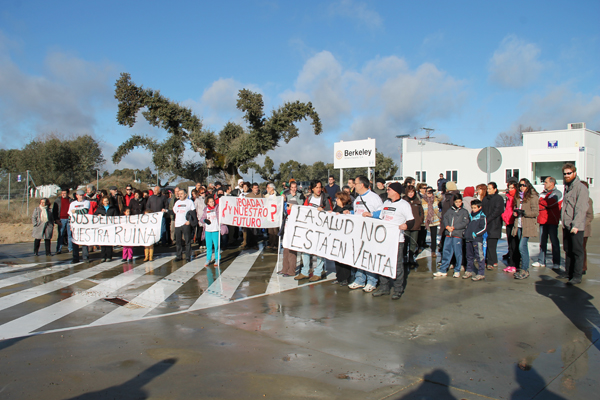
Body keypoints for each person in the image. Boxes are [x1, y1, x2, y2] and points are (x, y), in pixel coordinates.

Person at [371, 182, 414, 300]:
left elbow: (411, 221)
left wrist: (406, 225)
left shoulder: (404, 204)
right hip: (384, 240)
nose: (387, 191)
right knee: (382, 263)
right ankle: (384, 287)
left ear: (395, 191)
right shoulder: (386, 203)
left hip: (397, 240)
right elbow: (381, 219)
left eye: (389, 189)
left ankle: (398, 289)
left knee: (397, 265)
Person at [346, 176, 384, 292]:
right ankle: (360, 280)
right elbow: (358, 213)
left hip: (370, 232)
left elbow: (382, 212)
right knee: (359, 255)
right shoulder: (357, 199)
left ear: (362, 185)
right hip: (358, 232)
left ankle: (372, 281)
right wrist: (350, 212)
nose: (353, 186)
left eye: (355, 183)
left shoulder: (374, 197)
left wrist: (372, 215)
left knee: (369, 256)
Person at [295, 180, 332, 282]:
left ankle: (318, 272)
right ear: (312, 189)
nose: (319, 189)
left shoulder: (326, 198)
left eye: (320, 187)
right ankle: (305, 271)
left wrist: (323, 211)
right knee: (305, 250)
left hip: (321, 229)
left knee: (319, 251)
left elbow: (331, 213)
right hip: (309, 229)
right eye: (316, 187)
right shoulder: (309, 198)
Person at [560, 163, 589, 284]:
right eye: (565, 173)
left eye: (569, 173)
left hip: (575, 227)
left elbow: (581, 208)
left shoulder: (580, 188)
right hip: (566, 225)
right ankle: (569, 273)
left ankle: (577, 276)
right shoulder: (567, 187)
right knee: (568, 250)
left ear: (574, 173)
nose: (567, 175)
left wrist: (576, 225)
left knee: (577, 251)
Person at [434, 193, 469, 278]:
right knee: (446, 252)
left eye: (459, 202)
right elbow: (444, 218)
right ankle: (443, 270)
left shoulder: (464, 212)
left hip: (457, 235)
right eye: (456, 202)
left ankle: (457, 270)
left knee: (458, 253)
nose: (458, 203)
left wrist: (454, 227)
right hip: (448, 235)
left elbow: (465, 223)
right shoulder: (450, 211)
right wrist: (447, 227)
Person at [511, 178, 539, 280]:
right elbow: (516, 208)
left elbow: (536, 212)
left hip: (527, 225)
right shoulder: (518, 197)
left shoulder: (533, 196)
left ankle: (525, 269)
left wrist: (524, 213)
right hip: (518, 224)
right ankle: (523, 268)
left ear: (528, 186)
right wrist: (516, 212)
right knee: (522, 247)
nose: (522, 187)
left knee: (522, 247)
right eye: (520, 185)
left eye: (524, 185)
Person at [533, 176, 562, 269]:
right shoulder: (542, 193)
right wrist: (543, 203)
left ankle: (556, 262)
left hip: (552, 221)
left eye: (546, 182)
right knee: (542, 242)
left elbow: (550, 203)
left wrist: (541, 201)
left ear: (552, 183)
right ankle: (541, 261)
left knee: (554, 241)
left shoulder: (557, 193)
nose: (544, 184)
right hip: (542, 220)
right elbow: (539, 206)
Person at [279, 181, 305, 277]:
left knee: (292, 247)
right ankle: (284, 268)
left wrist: (294, 203)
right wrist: (283, 200)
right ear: (290, 188)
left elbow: (302, 207)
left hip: (296, 223)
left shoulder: (300, 195)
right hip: (287, 222)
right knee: (285, 246)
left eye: (295, 187)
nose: (294, 189)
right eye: (292, 187)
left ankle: (291, 270)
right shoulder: (286, 195)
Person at [329, 191, 354, 285]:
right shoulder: (337, 208)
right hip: (337, 238)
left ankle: (346, 278)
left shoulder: (349, 209)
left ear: (342, 199)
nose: (336, 200)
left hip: (346, 238)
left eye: (338, 198)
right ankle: (339, 277)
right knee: (337, 259)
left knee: (345, 259)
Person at [482, 182, 504, 270]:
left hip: (495, 224)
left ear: (495, 189)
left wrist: (487, 219)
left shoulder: (499, 198)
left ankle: (490, 262)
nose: (488, 190)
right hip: (486, 224)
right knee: (487, 243)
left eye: (490, 189)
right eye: (488, 188)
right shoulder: (485, 199)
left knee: (492, 243)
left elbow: (497, 211)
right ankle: (493, 260)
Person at [463, 199, 487, 281]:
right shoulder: (470, 216)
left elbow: (484, 228)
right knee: (469, 256)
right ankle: (469, 270)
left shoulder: (482, 217)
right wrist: (465, 233)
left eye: (475, 208)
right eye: (472, 208)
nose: (473, 209)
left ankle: (481, 273)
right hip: (468, 238)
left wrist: (476, 234)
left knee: (479, 255)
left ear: (479, 207)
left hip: (476, 239)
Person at [200, 196, 228, 266]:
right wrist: (204, 220)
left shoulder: (218, 207)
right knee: (208, 246)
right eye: (210, 202)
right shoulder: (206, 209)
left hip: (216, 229)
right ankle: (208, 259)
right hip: (208, 230)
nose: (212, 203)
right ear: (207, 203)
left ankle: (217, 258)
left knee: (217, 246)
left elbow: (223, 212)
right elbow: (202, 218)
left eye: (213, 201)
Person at [172, 188, 196, 262]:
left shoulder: (190, 202)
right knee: (178, 241)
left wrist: (189, 221)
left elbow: (193, 212)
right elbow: (175, 211)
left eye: (181, 193)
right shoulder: (177, 202)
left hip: (186, 223)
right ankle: (179, 256)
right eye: (179, 194)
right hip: (178, 224)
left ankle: (188, 256)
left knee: (187, 241)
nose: (180, 195)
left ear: (185, 194)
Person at [69, 189, 92, 263]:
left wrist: (75, 211)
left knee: (84, 241)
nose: (81, 197)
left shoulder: (86, 202)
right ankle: (75, 258)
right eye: (80, 195)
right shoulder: (72, 203)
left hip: (84, 224)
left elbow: (85, 211)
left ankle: (85, 257)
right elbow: (70, 214)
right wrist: (70, 225)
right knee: (75, 242)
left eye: (82, 195)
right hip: (75, 225)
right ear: (77, 196)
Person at [403, 186, 424, 268]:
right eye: (409, 192)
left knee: (413, 242)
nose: (411, 194)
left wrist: (420, 221)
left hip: (415, 225)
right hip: (406, 225)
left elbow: (421, 213)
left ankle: (411, 257)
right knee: (405, 242)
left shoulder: (417, 201)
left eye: (412, 192)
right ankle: (404, 256)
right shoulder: (404, 201)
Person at [95, 195, 118, 262]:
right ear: (102, 202)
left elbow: (116, 217)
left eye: (107, 201)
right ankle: (103, 256)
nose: (106, 202)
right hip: (102, 227)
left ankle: (109, 256)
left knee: (109, 242)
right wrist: (98, 215)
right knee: (103, 242)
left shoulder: (113, 208)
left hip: (110, 227)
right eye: (105, 201)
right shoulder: (99, 209)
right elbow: (94, 216)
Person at [502, 181, 518, 273]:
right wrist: (504, 216)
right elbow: (507, 209)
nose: (510, 189)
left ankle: (514, 264)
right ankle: (511, 264)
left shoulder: (516, 197)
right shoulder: (508, 197)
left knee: (514, 244)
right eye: (509, 188)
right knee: (510, 244)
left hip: (514, 222)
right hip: (508, 222)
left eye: (512, 188)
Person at [421, 187, 441, 257]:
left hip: (434, 219)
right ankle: (420, 247)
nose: (429, 193)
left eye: (431, 192)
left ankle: (433, 250)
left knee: (433, 236)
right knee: (422, 235)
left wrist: (435, 192)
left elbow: (441, 197)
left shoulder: (435, 199)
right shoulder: (422, 200)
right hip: (425, 219)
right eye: (428, 192)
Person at [53, 189, 73, 254]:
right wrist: (56, 220)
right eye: (62, 193)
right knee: (61, 235)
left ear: (68, 193)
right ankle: (59, 249)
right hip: (61, 219)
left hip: (69, 219)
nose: (63, 194)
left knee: (70, 235)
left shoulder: (71, 201)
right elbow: (54, 211)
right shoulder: (58, 200)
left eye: (64, 193)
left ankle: (70, 248)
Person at [581, 181, 594, 275]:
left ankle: (583, 267)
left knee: (582, 248)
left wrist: (582, 225)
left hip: (584, 229)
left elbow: (590, 216)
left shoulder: (588, 200)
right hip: (576, 228)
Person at [265, 183, 279, 250]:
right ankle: (271, 244)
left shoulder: (277, 196)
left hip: (275, 217)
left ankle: (276, 244)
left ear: (272, 188)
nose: (266, 189)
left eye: (268, 188)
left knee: (275, 231)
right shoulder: (266, 196)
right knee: (270, 231)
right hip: (269, 217)